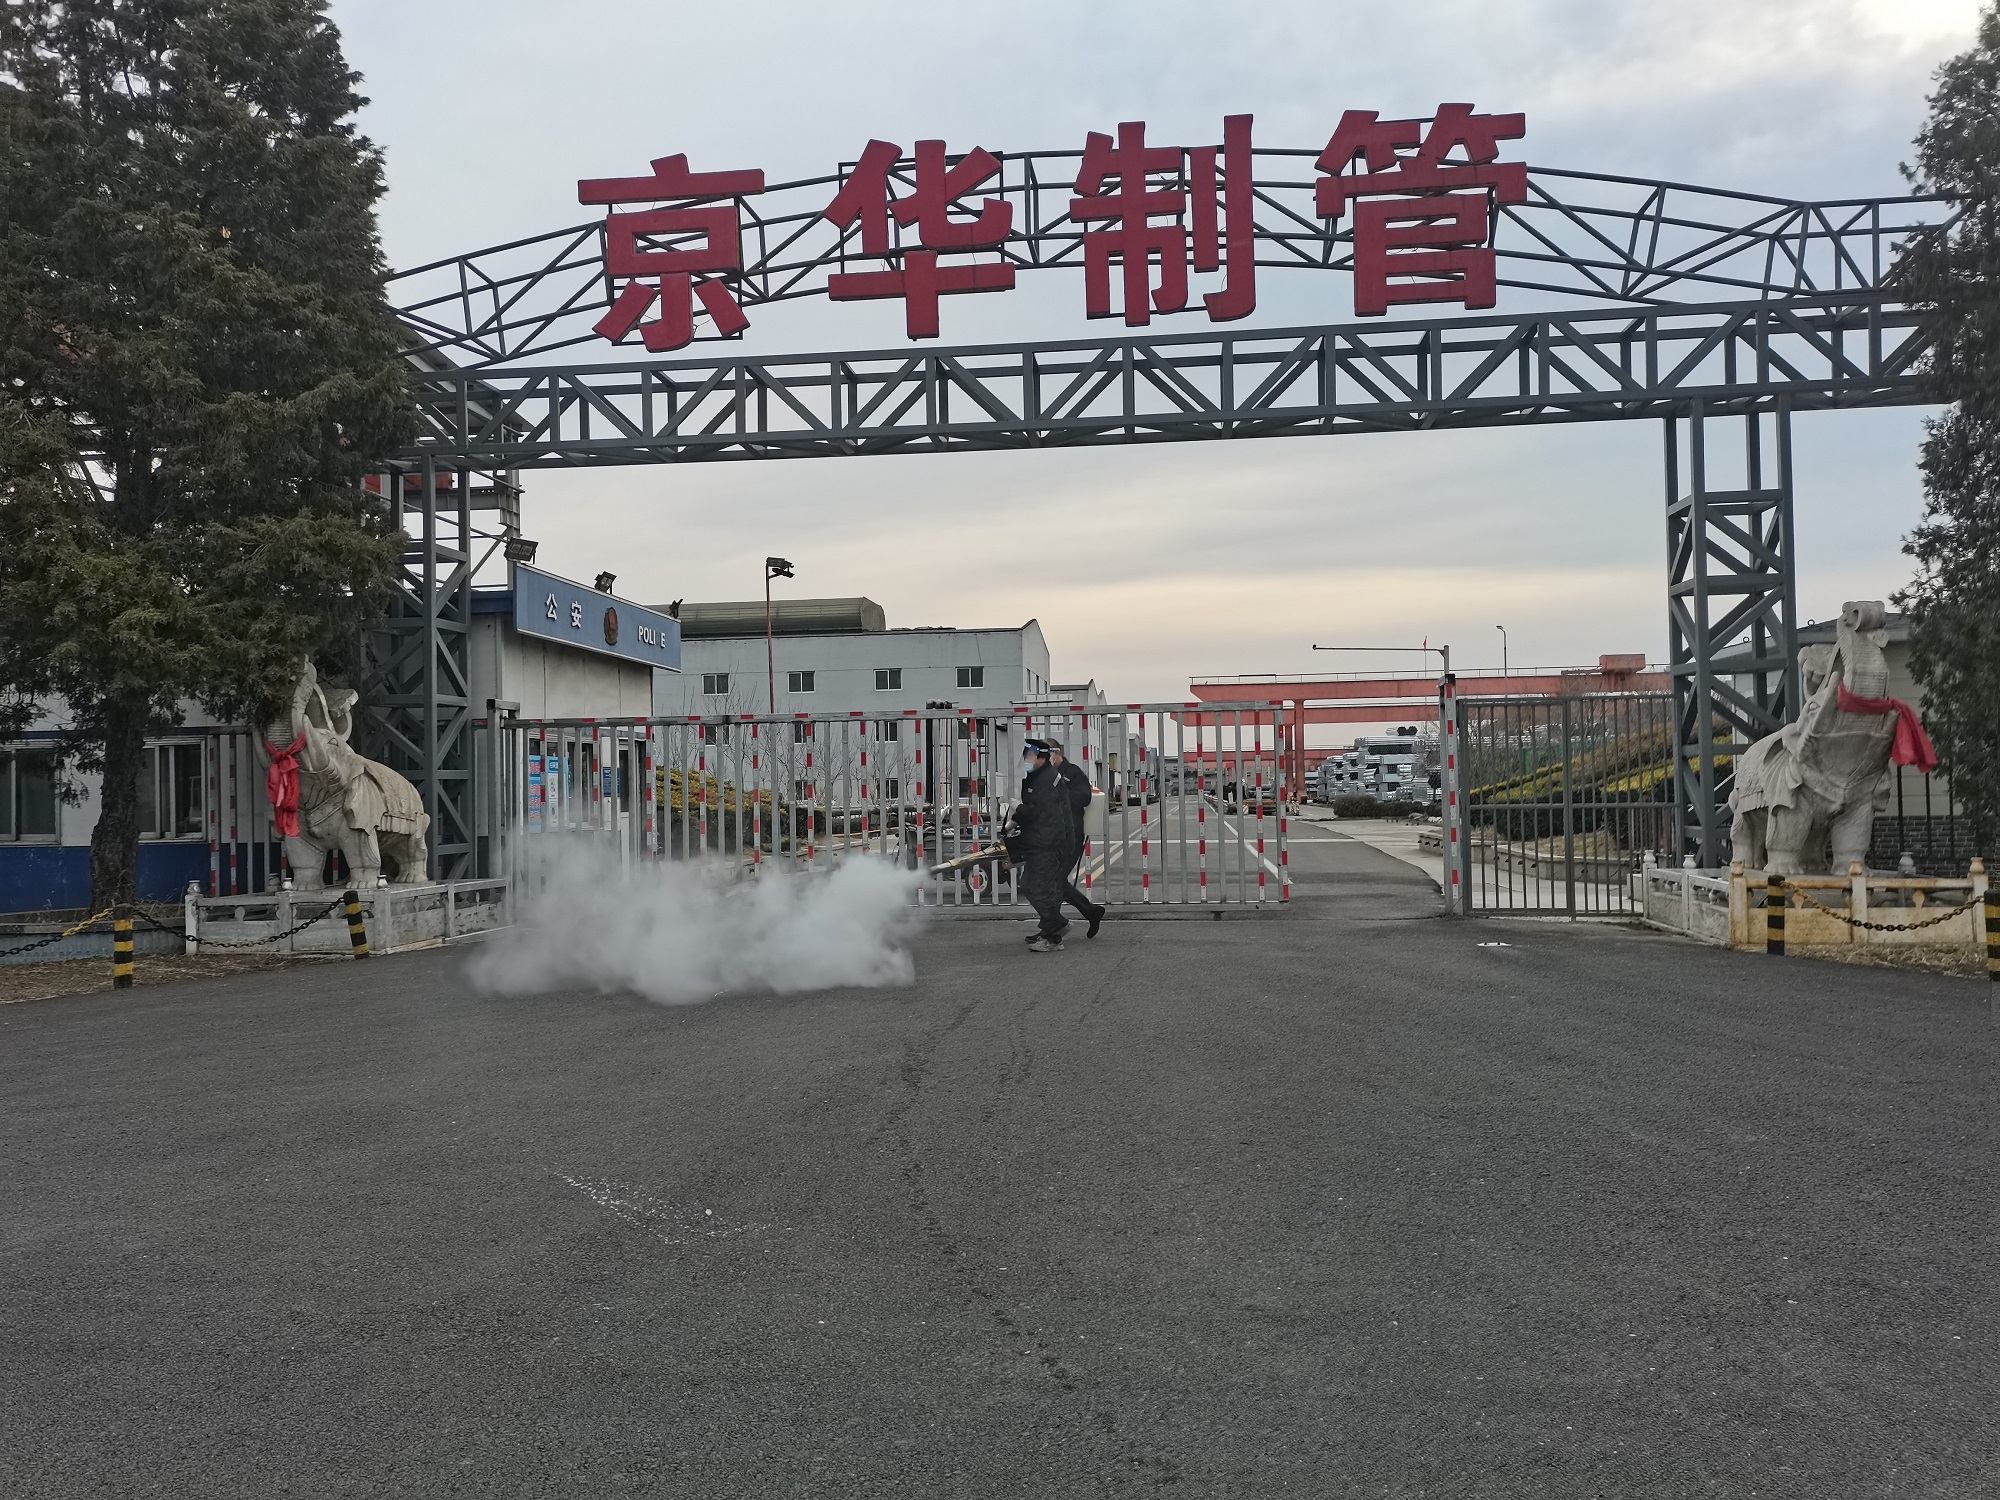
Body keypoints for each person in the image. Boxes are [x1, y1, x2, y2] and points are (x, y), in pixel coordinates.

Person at [1014, 737, 1090, 952]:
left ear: (1043, 758)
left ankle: (1053, 936)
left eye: (1030, 757)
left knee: (1042, 888)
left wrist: (1017, 809)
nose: (1026, 761)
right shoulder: (1039, 776)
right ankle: (1056, 925)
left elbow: (1038, 812)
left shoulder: (1047, 780)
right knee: (1029, 885)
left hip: (1049, 843)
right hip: (1040, 841)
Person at [1048, 741, 1107, 938]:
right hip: (1053, 837)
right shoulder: (1046, 775)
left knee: (1054, 880)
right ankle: (1090, 912)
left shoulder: (1072, 772)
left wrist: (1059, 792)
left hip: (1070, 837)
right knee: (1053, 880)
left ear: (1056, 753)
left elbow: (1084, 797)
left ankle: (1052, 928)